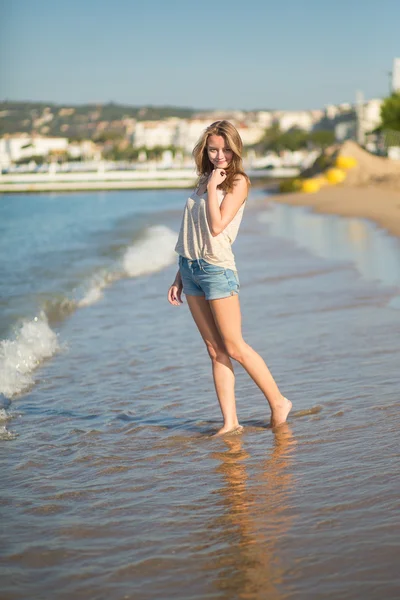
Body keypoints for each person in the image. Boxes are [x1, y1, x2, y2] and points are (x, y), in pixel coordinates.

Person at [167, 120, 292, 435]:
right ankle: (230, 422)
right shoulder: (203, 181)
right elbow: (192, 231)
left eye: (225, 149)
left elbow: (217, 225)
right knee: (214, 349)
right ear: (205, 149)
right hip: (191, 268)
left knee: (235, 346)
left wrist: (212, 189)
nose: (219, 155)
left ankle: (278, 402)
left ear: (234, 149)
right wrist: (179, 274)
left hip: (217, 269)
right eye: (213, 149)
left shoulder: (237, 182)